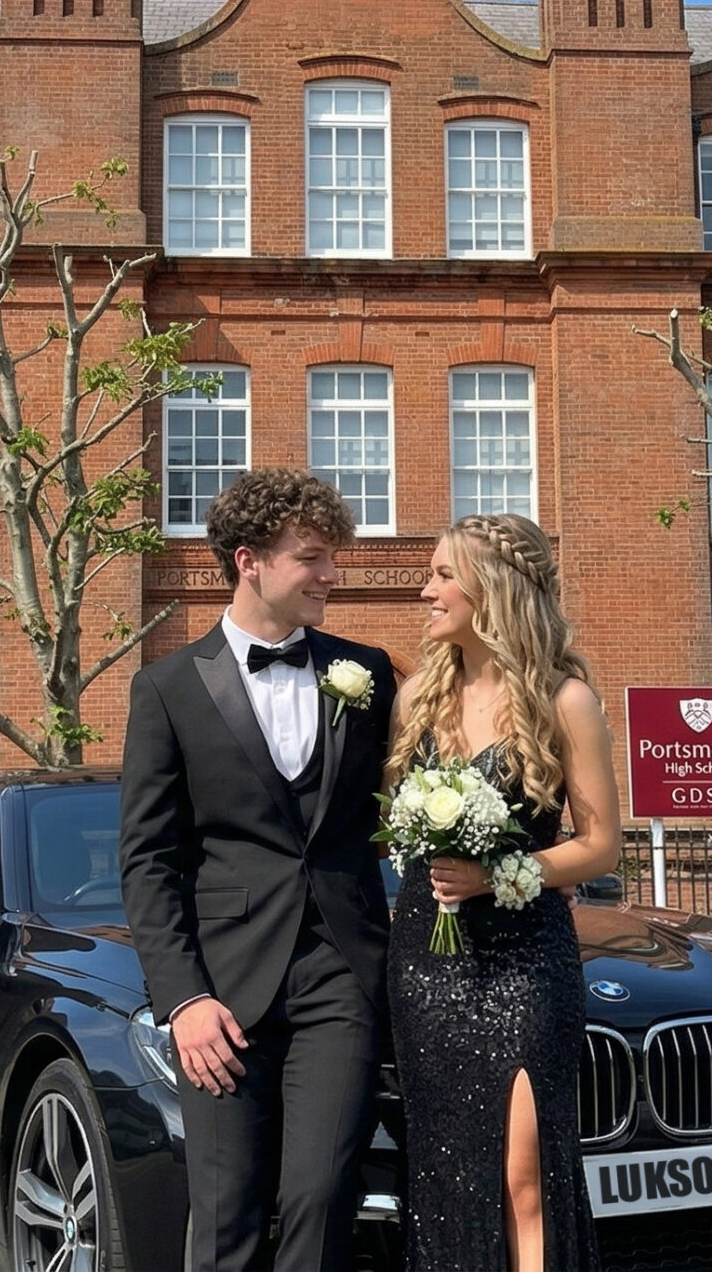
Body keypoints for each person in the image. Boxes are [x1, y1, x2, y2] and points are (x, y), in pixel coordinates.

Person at [119, 469, 398, 1272]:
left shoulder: (369, 673)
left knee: (321, 1198)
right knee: (228, 1212)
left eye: (331, 558)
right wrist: (183, 999)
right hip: (222, 993)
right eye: (312, 558)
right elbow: (148, 860)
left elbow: (404, 805)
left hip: (340, 975)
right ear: (250, 561)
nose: (331, 576)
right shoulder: (166, 688)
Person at [388, 510, 620, 1272]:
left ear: (494, 587)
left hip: (527, 959)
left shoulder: (565, 700)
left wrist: (503, 874)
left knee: (524, 1169)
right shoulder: (416, 697)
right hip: (429, 959)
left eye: (444, 573)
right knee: (447, 1170)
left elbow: (598, 845)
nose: (428, 589)